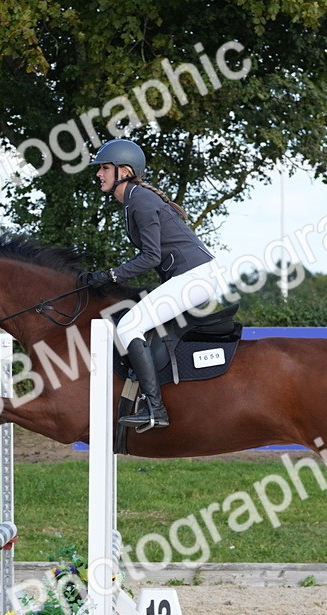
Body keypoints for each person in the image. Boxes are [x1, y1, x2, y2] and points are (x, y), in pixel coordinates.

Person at [78, 139, 227, 432]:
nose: (98, 173)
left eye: (104, 168)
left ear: (124, 171)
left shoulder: (141, 200)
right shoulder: (133, 199)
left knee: (128, 326)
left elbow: (151, 257)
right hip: (192, 276)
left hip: (194, 277)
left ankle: (155, 410)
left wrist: (110, 276)